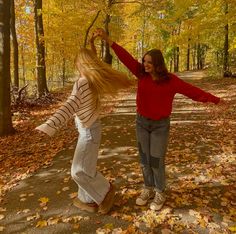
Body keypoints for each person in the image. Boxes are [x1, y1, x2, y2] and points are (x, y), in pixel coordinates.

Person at [95, 28, 222, 211]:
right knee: (144, 160)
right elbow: (125, 57)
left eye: (149, 62)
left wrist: (216, 100)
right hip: (141, 123)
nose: (145, 64)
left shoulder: (171, 80)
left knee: (156, 160)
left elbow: (193, 91)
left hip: (160, 126)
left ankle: (160, 191)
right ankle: (148, 188)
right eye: (144, 61)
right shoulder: (141, 74)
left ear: (157, 64)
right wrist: (108, 40)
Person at [35, 36, 133, 214]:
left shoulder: (82, 83)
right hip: (92, 130)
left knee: (78, 171)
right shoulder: (92, 80)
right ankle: (87, 201)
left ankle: (106, 189)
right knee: (86, 169)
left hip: (88, 133)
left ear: (80, 64)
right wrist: (92, 46)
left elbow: (69, 106)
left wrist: (49, 124)